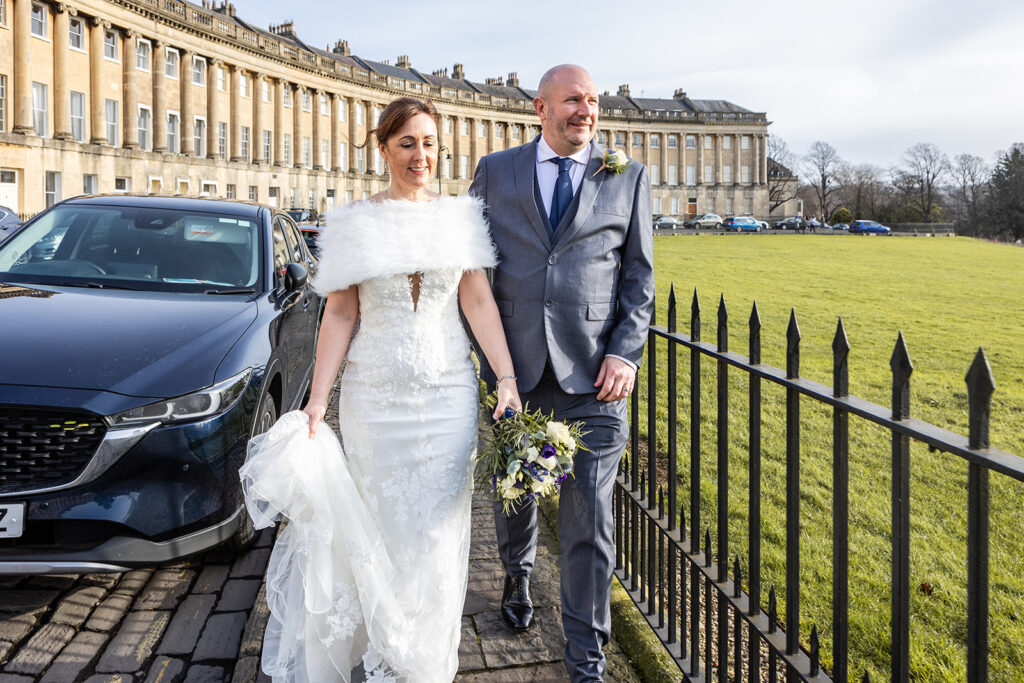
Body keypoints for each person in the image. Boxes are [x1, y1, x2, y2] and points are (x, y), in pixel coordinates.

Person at [241, 96, 521, 682]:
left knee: (438, 534)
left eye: (429, 143)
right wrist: (318, 399)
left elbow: (476, 300)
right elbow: (340, 315)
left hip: (448, 398)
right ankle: (381, 649)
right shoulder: (353, 223)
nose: (421, 155)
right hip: (375, 399)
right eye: (408, 143)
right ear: (384, 148)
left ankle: (423, 662)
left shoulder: (460, 218)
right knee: (380, 525)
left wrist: (505, 377)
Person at [469, 64, 655, 681]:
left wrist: (625, 352)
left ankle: (586, 661)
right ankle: (517, 580)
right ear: (540, 109)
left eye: (594, 101)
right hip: (517, 378)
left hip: (597, 382)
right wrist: (496, 371)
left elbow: (639, 278)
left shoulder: (627, 177)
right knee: (515, 497)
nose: (588, 110)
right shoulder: (495, 172)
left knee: (589, 529)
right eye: (574, 100)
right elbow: (475, 277)